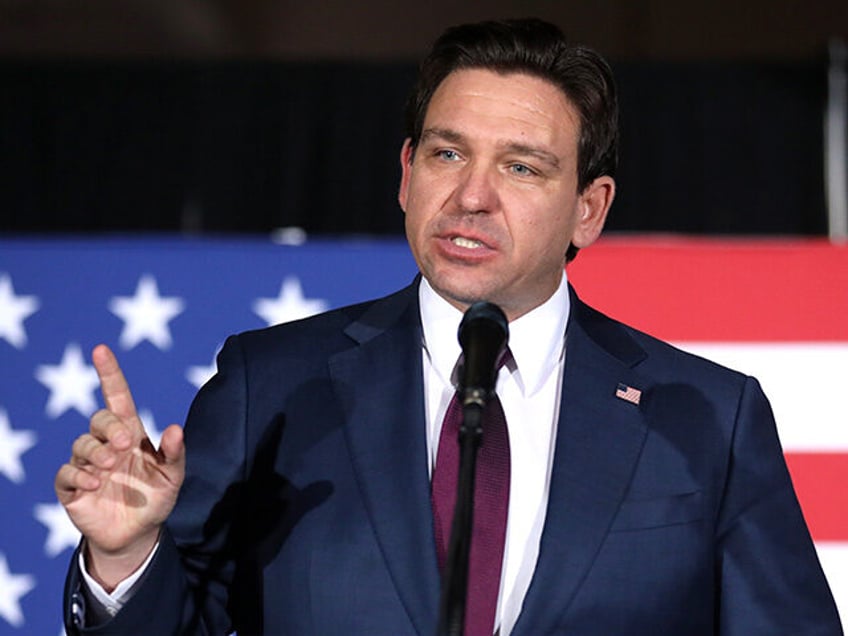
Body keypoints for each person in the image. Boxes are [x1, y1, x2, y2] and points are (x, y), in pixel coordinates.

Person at [56, 17, 842, 636]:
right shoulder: (275, 385)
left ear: (590, 209)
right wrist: (123, 556)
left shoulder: (706, 417)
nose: (472, 195)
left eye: (521, 166)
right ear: (406, 174)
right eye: (446, 154)